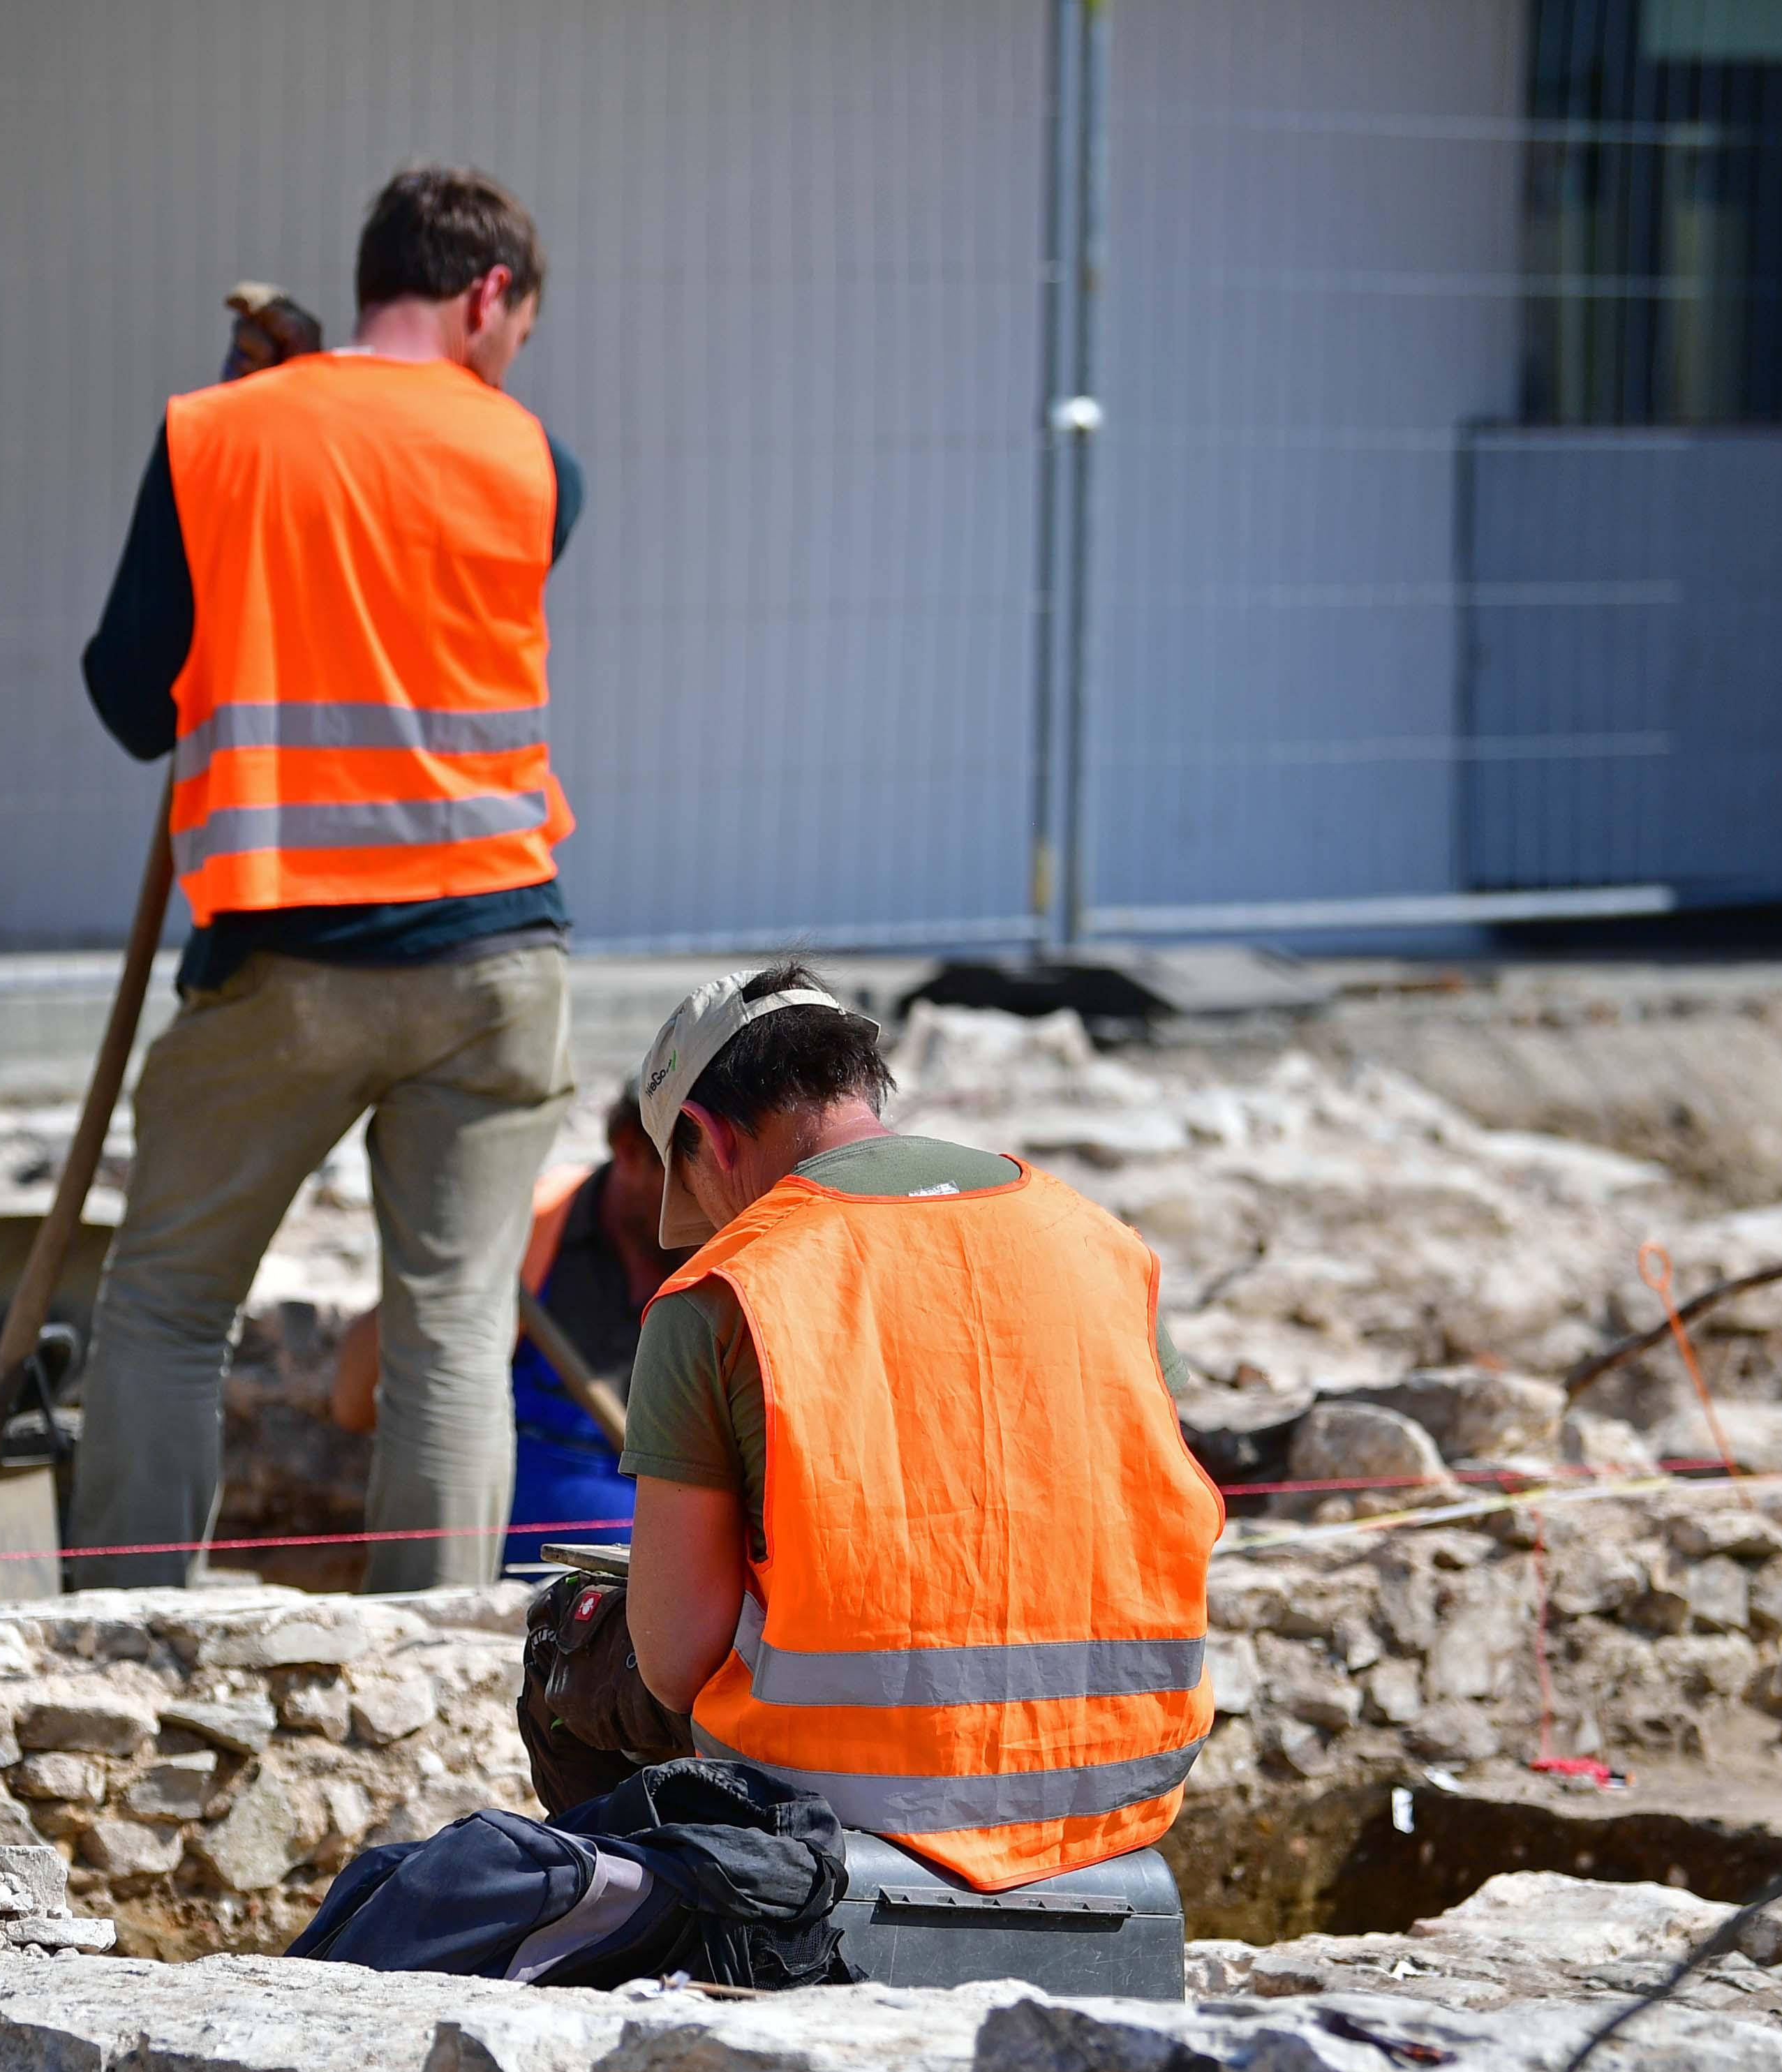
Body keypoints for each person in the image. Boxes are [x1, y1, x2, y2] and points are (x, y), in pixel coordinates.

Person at [70, 165, 583, 1590]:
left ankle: (119, 1633)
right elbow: (407, 558)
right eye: (519, 329)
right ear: (487, 296)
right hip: (495, 960)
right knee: (453, 1329)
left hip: (287, 962)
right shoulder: (540, 463)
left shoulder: (220, 436)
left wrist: (260, 443)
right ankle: (429, 1662)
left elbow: (130, 697)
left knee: (168, 1306)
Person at [531, 966, 1222, 1888]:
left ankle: (682, 1926)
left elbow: (673, 1662)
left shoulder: (726, 1288)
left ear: (702, 1134)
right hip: (1122, 1769)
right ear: (862, 1086)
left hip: (846, 1789)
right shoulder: (1101, 1242)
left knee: (567, 1646)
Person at [332, 1083, 671, 1567]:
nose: (722, 1198)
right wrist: (443, 1260)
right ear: (631, 1155)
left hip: (651, 1610)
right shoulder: (529, 1226)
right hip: (488, 1591)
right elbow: (353, 1404)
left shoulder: (745, 1254)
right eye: (694, 1172)